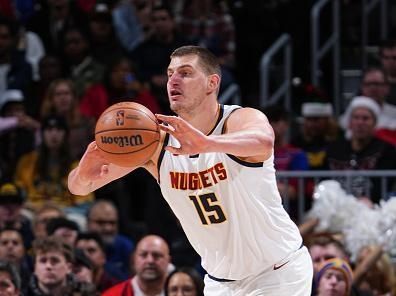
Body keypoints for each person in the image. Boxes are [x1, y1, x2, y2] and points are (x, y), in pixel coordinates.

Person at [69, 45, 313, 295]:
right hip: (220, 282)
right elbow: (79, 187)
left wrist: (207, 144)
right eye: (170, 73)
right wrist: (85, 170)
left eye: (185, 73)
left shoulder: (236, 121)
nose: (173, 80)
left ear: (212, 83)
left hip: (277, 272)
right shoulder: (155, 141)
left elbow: (263, 141)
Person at [102, 234, 171, 296]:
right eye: (143, 255)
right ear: (134, 259)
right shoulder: (113, 294)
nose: (150, 261)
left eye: (157, 255)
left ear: (169, 261)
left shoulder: (180, 292)